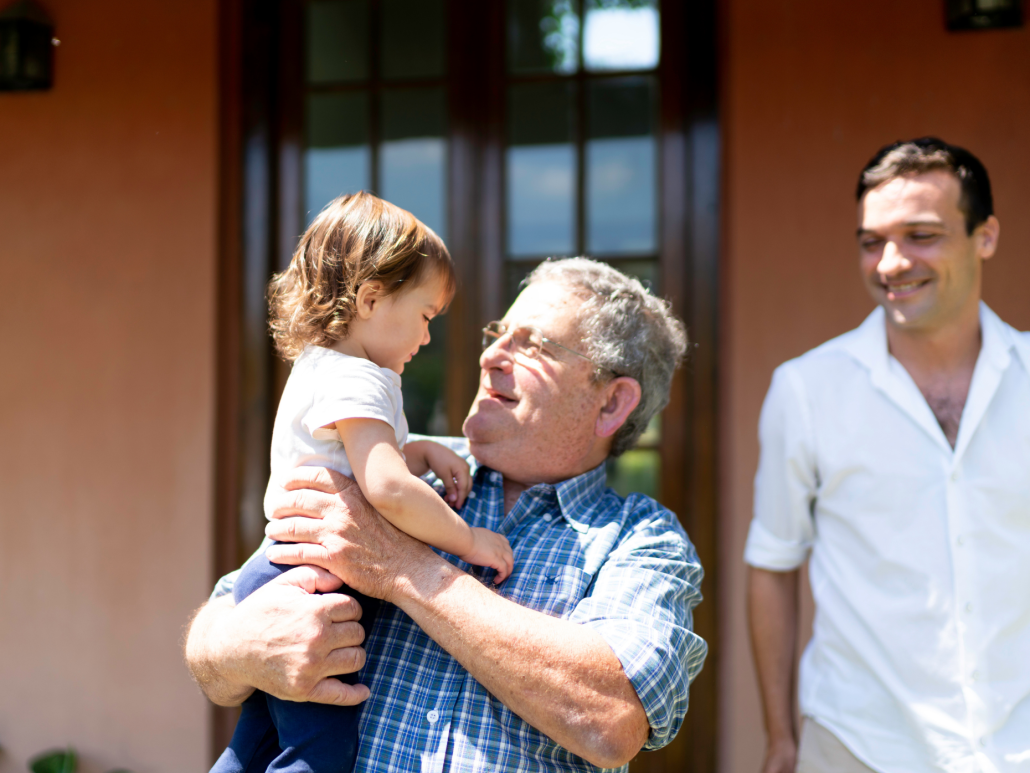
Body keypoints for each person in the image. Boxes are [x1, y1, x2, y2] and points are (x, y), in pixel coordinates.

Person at [186, 257, 708, 772]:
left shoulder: (642, 538)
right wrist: (239, 646)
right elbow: (214, 635)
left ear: (613, 403)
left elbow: (612, 721)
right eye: (498, 333)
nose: (492, 356)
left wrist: (403, 567)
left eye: (534, 345)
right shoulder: (392, 463)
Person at [746, 137, 1030, 773]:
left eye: (921, 235)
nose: (892, 263)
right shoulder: (807, 389)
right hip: (857, 746)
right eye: (872, 241)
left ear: (985, 236)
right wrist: (780, 738)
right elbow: (772, 563)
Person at [211, 192, 513, 773]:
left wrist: (415, 448)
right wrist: (468, 540)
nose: (426, 340)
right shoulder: (363, 379)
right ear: (371, 297)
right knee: (318, 753)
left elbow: (353, 455)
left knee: (256, 744)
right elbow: (386, 488)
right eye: (425, 317)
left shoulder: (321, 366)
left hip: (273, 574)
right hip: (316, 589)